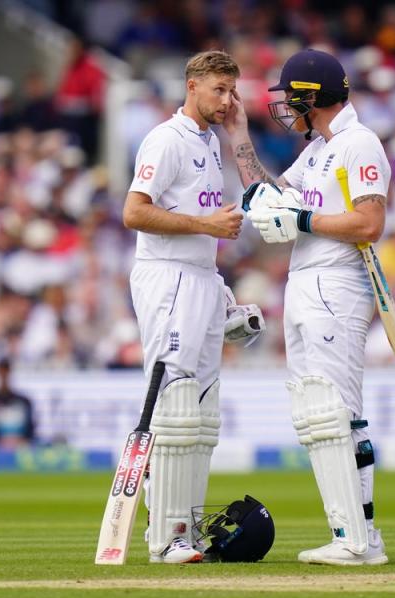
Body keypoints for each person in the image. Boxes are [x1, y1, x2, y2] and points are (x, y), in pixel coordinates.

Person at [224, 48, 390, 565]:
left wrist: (305, 222)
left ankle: (357, 540)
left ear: (311, 98)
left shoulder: (359, 143)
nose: (284, 106)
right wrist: (237, 137)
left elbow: (369, 224)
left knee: (336, 412)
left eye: (289, 97)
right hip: (308, 280)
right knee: (320, 413)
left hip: (337, 283)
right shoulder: (320, 148)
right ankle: (355, 535)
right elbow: (269, 200)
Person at [123, 50, 261, 564]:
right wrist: (207, 228)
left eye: (232, 91)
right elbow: (134, 212)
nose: (226, 101)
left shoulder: (210, 140)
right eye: (218, 90)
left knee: (202, 416)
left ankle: (186, 527)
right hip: (167, 279)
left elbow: (229, 204)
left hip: (201, 277)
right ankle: (164, 537)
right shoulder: (166, 138)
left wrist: (218, 288)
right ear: (192, 86)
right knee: (176, 405)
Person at [0, 358, 36, 449]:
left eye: (6, 372)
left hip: (20, 447)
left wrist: (20, 440)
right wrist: (0, 440)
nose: (4, 376)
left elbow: (31, 429)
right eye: (1, 372)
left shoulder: (24, 401)